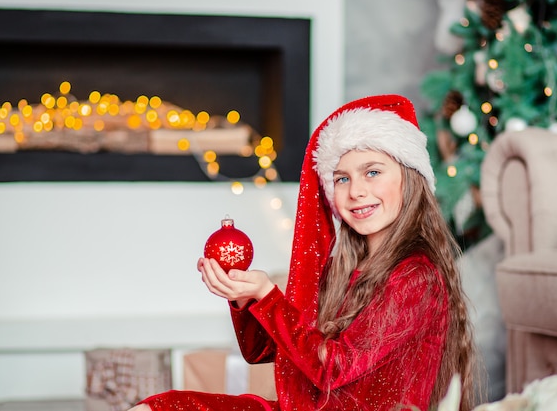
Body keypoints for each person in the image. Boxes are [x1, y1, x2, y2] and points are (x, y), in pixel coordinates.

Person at [129, 94, 477, 411]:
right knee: (161, 407)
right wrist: (245, 297)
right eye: (342, 179)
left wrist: (267, 295)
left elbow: (332, 367)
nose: (356, 191)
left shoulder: (416, 275)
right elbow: (262, 352)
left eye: (372, 172)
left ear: (409, 178)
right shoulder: (347, 269)